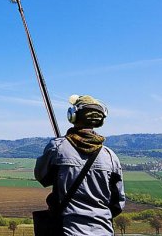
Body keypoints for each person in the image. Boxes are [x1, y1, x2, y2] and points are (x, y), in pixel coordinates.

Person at [34, 95, 125, 236]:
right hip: (104, 231)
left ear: (73, 116)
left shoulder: (57, 148)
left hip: (66, 230)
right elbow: (117, 204)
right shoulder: (111, 157)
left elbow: (42, 177)